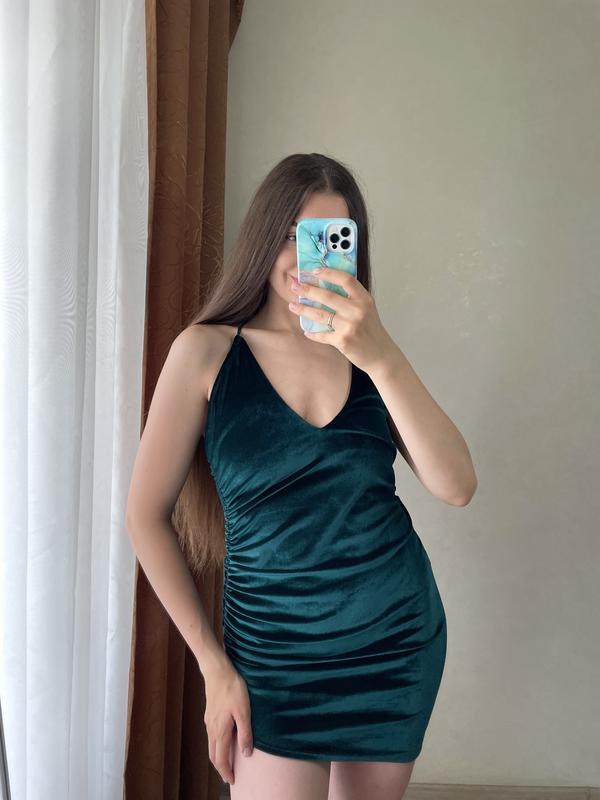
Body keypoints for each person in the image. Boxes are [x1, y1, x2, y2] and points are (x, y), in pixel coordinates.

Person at [125, 152, 477, 800]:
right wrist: (213, 666)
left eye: (327, 238)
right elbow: (145, 517)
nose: (304, 256)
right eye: (292, 233)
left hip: (394, 641)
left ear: (351, 251)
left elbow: (456, 486)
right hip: (272, 655)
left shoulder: (369, 356)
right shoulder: (205, 351)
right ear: (263, 235)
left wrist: (382, 355)